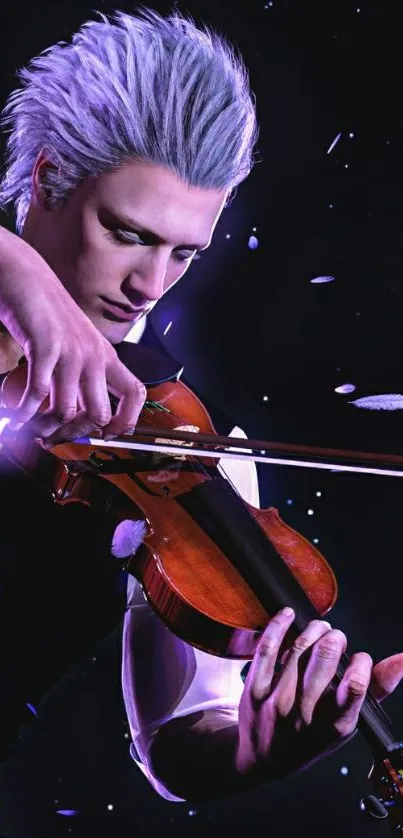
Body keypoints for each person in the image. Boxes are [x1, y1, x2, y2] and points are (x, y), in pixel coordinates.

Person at [0, 6, 402, 805]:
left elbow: (178, 741)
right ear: (46, 180)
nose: (150, 284)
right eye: (126, 232)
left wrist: (254, 753)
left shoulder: (194, 447)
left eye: (183, 251)